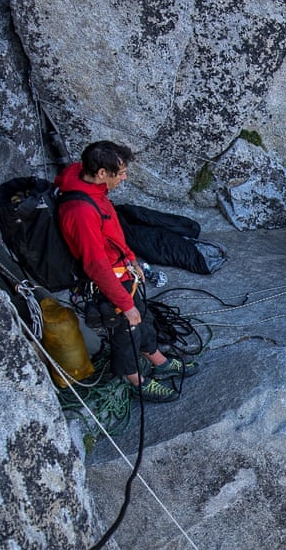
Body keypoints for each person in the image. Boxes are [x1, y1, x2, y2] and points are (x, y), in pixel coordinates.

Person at [56, 141, 193, 403]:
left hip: (122, 271)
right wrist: (123, 302)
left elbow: (111, 233)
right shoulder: (80, 211)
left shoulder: (87, 182)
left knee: (143, 317)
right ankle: (137, 382)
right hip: (107, 281)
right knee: (125, 330)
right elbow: (95, 265)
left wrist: (132, 259)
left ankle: (157, 359)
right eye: (120, 172)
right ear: (101, 174)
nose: (125, 177)